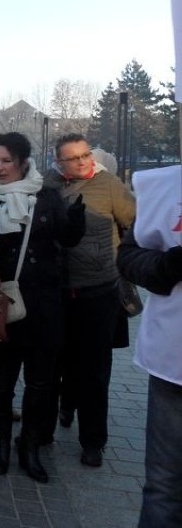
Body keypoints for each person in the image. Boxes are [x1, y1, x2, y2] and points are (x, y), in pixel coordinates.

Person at [0, 133, 85, 483]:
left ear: (23, 162)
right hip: (1, 304)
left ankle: (30, 446)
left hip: (43, 305)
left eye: (5, 160)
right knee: (0, 382)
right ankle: (1, 444)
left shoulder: (47, 197)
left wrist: (76, 223)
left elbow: (66, 238)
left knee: (41, 384)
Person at [44, 133, 135, 467]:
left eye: (85, 155)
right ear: (59, 162)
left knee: (95, 370)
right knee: (55, 364)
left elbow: (133, 225)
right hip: (57, 291)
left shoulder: (109, 184)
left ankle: (93, 440)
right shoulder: (48, 186)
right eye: (74, 158)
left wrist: (120, 260)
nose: (83, 162)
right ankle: (51, 423)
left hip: (98, 291)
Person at [117, 165, 182, 527]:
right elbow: (129, 258)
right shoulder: (163, 185)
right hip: (174, 362)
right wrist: (169, 264)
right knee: (165, 487)